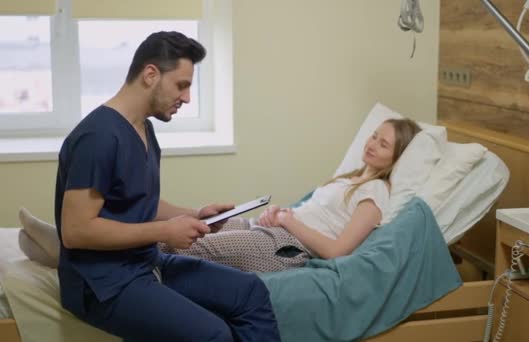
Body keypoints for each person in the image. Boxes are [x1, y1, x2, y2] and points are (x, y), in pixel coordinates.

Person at [52, 31, 281, 342]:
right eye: (182, 85)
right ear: (150, 74)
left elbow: (136, 200)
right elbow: (76, 231)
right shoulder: (99, 137)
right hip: (102, 283)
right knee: (213, 334)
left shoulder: (143, 128)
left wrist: (198, 215)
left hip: (142, 263)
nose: (186, 97)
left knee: (251, 292)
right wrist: (164, 232)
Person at [159, 118, 421, 272]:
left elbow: (337, 252)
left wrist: (287, 221)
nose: (372, 144)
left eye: (383, 144)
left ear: (396, 157)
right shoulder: (349, 178)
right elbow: (313, 214)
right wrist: (279, 213)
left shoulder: (375, 192)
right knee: (193, 226)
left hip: (286, 246)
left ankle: (131, 271)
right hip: (271, 230)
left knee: (187, 245)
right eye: (374, 136)